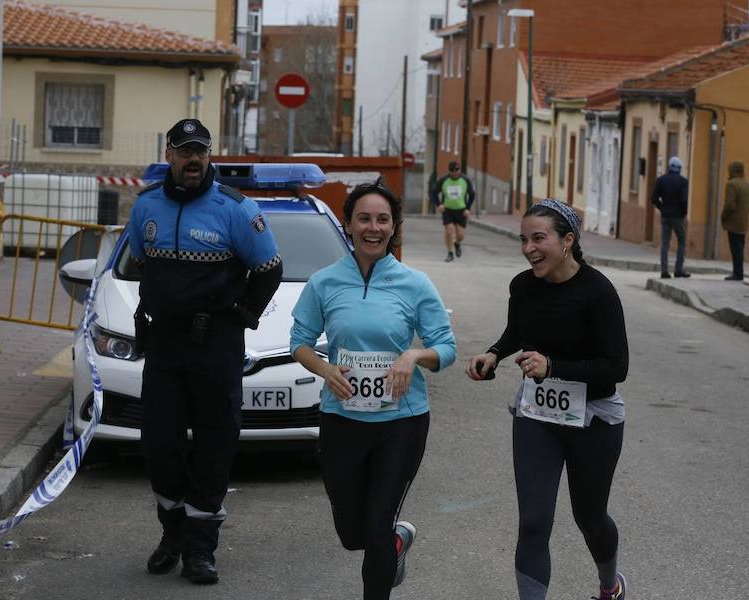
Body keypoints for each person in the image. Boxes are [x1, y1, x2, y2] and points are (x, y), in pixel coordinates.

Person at [126, 118, 283, 584]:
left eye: (201, 151)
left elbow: (269, 270)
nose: (194, 159)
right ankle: (171, 534)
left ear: (209, 155)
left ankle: (199, 549)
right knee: (159, 446)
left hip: (215, 347)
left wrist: (238, 314)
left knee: (214, 447)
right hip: (165, 345)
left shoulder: (236, 209)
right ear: (170, 155)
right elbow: (139, 261)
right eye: (184, 151)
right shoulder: (145, 206)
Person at [290, 179, 456, 600]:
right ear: (348, 224)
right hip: (341, 418)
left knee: (378, 522)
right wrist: (325, 369)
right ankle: (396, 542)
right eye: (364, 218)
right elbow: (300, 342)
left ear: (393, 226)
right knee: (352, 531)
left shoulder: (414, 284)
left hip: (401, 421)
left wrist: (413, 357)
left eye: (383, 219)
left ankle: (386, 549)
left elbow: (447, 347)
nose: (373, 227)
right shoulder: (325, 282)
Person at [465, 198, 629, 600]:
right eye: (524, 240)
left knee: (590, 517)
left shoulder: (598, 292)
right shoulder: (523, 286)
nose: (528, 248)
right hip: (538, 414)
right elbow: (516, 333)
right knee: (534, 520)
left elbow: (615, 368)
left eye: (539, 239)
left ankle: (611, 585)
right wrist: (494, 354)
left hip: (593, 419)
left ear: (568, 240)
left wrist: (553, 366)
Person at [651, 156, 690, 278]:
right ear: (679, 168)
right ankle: (678, 270)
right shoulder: (683, 182)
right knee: (682, 241)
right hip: (677, 216)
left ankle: (664, 270)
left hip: (665, 215)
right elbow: (684, 201)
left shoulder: (661, 180)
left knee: (665, 243)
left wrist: (662, 208)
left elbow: (654, 198)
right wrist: (683, 213)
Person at [431, 161, 475, 262]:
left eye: (456, 170)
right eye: (452, 170)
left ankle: (457, 243)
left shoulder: (465, 180)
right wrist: (439, 204)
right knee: (449, 231)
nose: (454, 172)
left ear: (459, 170)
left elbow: (472, 194)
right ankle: (450, 253)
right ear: (449, 171)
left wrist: (468, 208)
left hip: (461, 210)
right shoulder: (443, 180)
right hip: (448, 210)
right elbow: (434, 192)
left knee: (460, 235)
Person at [721, 161, 749, 281]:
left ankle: (737, 273)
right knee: (740, 247)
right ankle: (739, 272)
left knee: (735, 248)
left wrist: (723, 216)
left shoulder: (731, 184)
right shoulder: (748, 185)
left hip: (733, 222)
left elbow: (729, 205)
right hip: (744, 221)